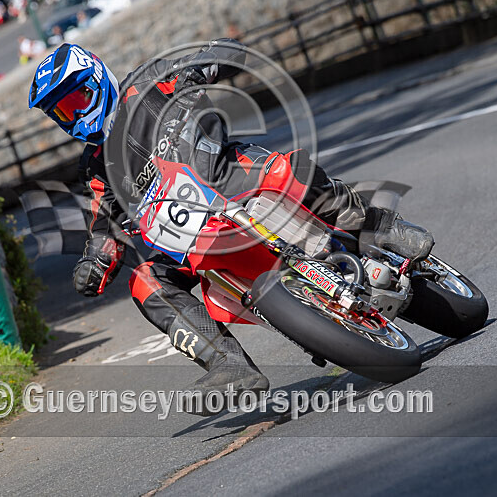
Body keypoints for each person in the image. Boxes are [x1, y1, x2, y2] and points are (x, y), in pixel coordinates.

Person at [28, 40, 433, 413]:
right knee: (145, 280)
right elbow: (104, 223)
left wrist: (199, 67)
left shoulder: (147, 83)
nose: (74, 114)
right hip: (187, 235)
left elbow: (211, 53)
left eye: (76, 98)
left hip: (228, 175)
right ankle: (229, 365)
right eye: (61, 111)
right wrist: (95, 261)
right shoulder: (95, 165)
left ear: (96, 78)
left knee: (288, 169)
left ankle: (378, 226)